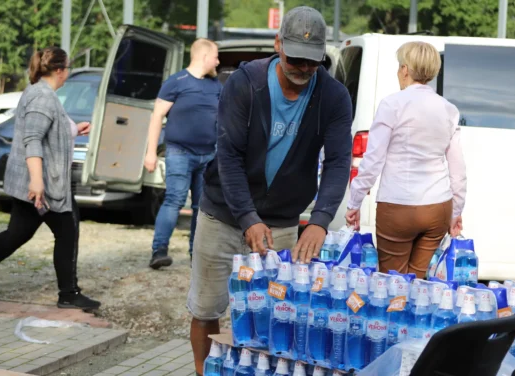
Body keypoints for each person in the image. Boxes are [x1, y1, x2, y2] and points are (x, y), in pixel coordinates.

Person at [187, 7, 353, 374]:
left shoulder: (334, 96)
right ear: (278, 45)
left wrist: (320, 221)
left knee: (277, 315)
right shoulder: (246, 83)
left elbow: (340, 161)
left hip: (280, 221)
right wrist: (247, 217)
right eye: (295, 59)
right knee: (206, 308)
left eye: (312, 62)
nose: (303, 69)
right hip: (222, 215)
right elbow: (227, 154)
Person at [0, 47, 101, 311]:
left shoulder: (38, 91)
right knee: (67, 230)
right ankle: (68, 294)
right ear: (59, 70)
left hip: (33, 181)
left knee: (17, 234)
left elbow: (43, 129)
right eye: (67, 68)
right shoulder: (43, 97)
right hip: (42, 183)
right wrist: (37, 182)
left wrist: (72, 129)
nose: (68, 72)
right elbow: (32, 138)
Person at [345, 41, 467, 279]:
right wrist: (456, 211)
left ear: (405, 70)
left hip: (398, 206)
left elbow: (373, 160)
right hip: (438, 207)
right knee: (420, 281)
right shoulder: (449, 110)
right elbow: (458, 169)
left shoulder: (392, 105)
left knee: (394, 283)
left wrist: (355, 202)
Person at [144, 38, 222, 269]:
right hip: (179, 152)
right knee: (174, 200)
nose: (218, 61)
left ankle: (195, 254)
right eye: (216, 56)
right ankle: (159, 251)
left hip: (208, 155)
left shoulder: (216, 86)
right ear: (204, 57)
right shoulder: (175, 82)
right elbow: (156, 116)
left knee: (202, 207)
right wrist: (150, 153)